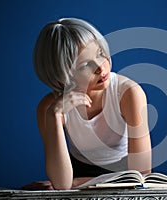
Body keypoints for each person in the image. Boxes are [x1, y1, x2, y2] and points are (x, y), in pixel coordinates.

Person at [23, 18, 152, 190]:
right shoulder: (49, 108)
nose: (101, 68)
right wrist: (54, 115)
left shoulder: (128, 93)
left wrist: (77, 183)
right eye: (85, 65)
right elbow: (62, 184)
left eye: (99, 53)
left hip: (126, 176)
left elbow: (142, 174)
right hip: (77, 172)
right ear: (62, 76)